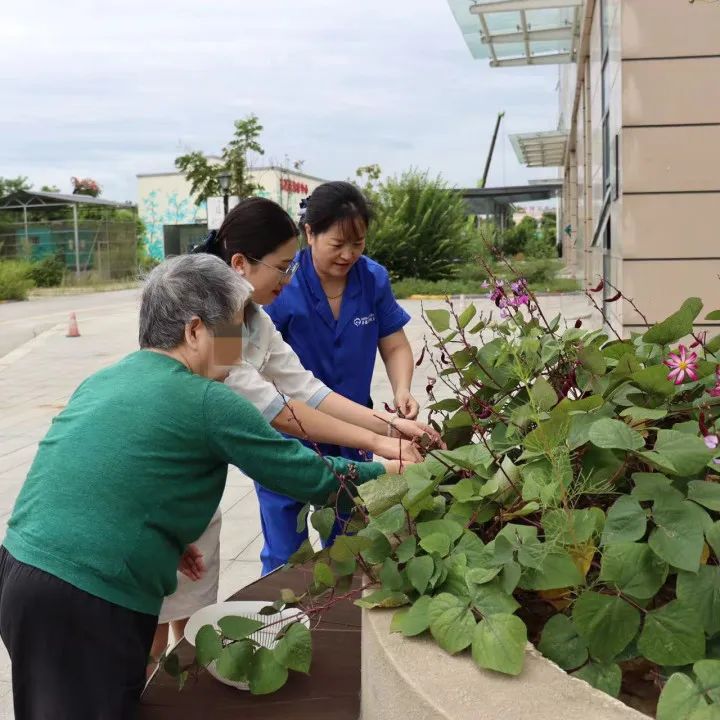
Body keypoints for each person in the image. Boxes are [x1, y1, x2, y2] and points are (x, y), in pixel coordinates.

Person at [0, 254, 403, 720]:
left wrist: (167, 538)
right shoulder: (210, 400)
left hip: (21, 572)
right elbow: (308, 476)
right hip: (86, 595)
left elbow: (107, 477)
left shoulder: (106, 379)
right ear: (195, 331)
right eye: (233, 330)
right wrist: (390, 476)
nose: (240, 345)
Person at [152, 197, 436, 663]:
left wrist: (391, 425)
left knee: (190, 611)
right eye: (283, 268)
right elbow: (277, 411)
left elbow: (306, 389)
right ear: (240, 264)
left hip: (197, 488)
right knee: (155, 626)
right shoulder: (216, 329)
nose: (289, 280)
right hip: (164, 487)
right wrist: (381, 444)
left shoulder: (255, 318)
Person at [262, 181, 420, 571]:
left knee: (351, 545)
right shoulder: (278, 286)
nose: (348, 254)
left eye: (358, 243)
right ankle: (281, 627)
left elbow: (395, 344)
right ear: (309, 232)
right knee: (286, 552)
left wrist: (401, 391)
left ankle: (339, 628)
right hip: (288, 433)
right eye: (337, 244)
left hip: (351, 425)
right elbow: (257, 382)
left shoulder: (372, 279)